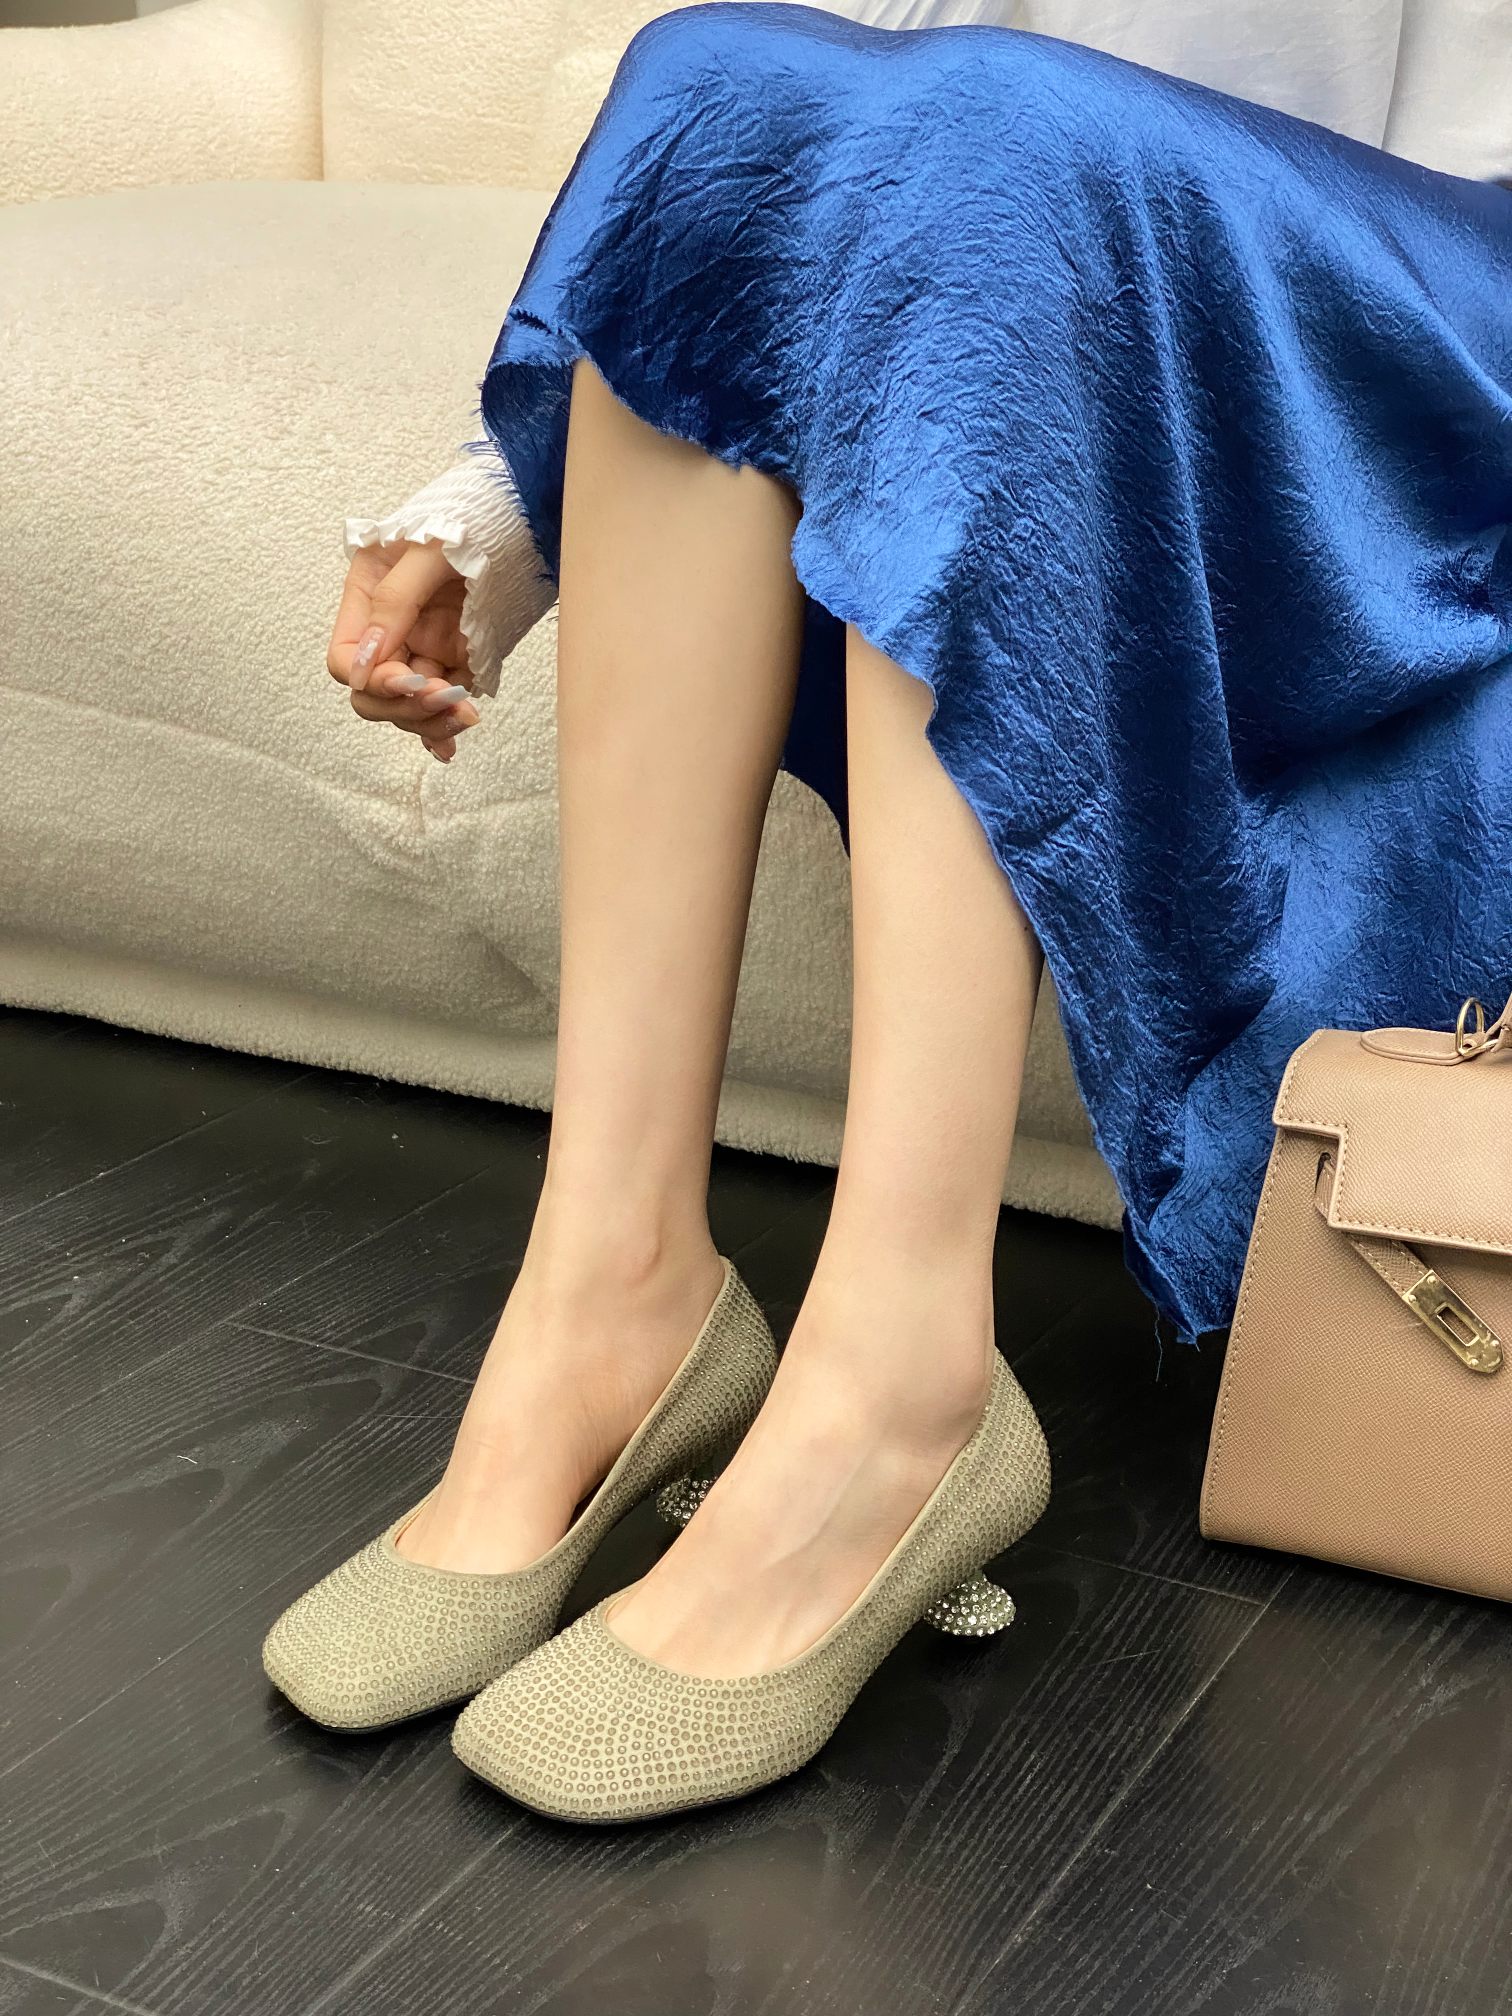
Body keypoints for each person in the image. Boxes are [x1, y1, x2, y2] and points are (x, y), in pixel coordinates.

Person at [263, 1, 1512, 1822]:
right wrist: (494, 526)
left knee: (1001, 141)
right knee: (717, 85)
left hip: (1416, 300)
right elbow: (860, 98)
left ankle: (900, 1378)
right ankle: (609, 1287)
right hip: (1071, 229)